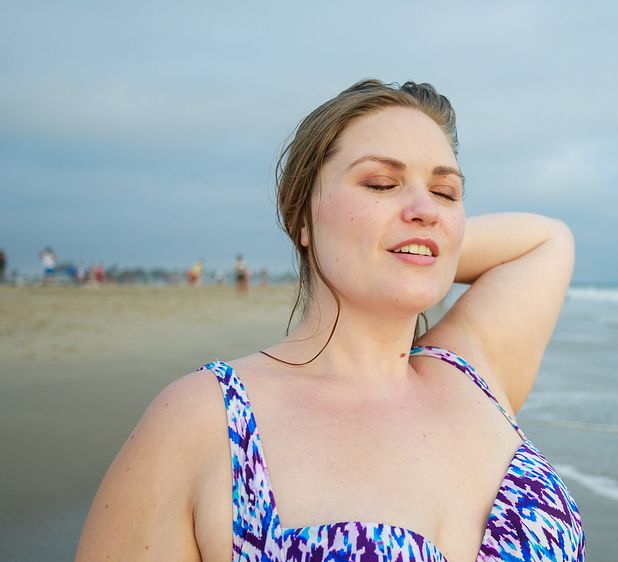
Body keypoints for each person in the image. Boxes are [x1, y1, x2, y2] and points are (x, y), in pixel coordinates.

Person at [76, 80, 584, 561]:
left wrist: (424, 247)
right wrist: (387, 246)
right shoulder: (207, 420)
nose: (426, 207)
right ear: (302, 216)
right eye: (382, 183)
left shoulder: (471, 369)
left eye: (446, 193)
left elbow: (547, 240)